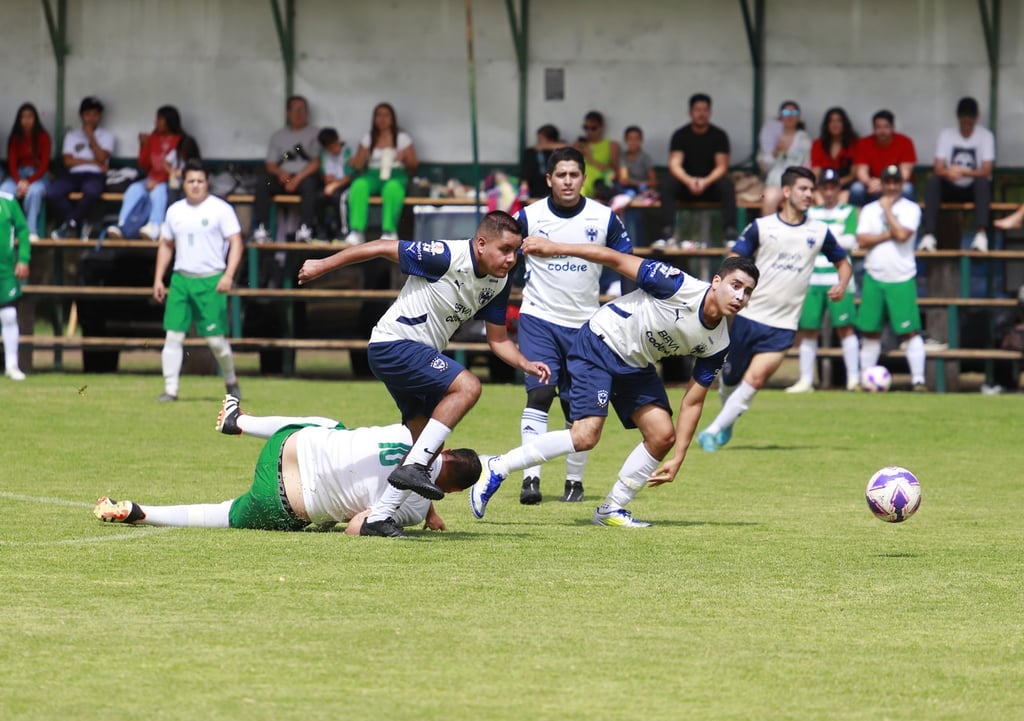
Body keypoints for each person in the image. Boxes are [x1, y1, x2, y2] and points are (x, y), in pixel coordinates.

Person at [297, 210, 550, 537]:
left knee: (425, 440)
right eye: (505, 249)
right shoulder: (445, 256)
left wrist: (525, 363)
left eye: (515, 251)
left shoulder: (499, 281)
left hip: (419, 355)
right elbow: (380, 246)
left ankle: (382, 516)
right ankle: (414, 468)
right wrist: (322, 265)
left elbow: (498, 339)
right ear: (481, 243)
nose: (511, 258)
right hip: (393, 344)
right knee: (468, 388)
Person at [469, 249, 760, 527]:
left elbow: (693, 401)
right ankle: (499, 465)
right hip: (600, 342)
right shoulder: (677, 284)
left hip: (635, 363)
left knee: (662, 436)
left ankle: (611, 508)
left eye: (747, 292)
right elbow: (613, 258)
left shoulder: (719, 344)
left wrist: (679, 456)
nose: (740, 296)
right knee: (585, 435)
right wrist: (554, 247)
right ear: (717, 281)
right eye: (736, 285)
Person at [93, 395, 482, 535]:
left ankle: (240, 422)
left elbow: (419, 464)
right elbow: (354, 528)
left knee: (333, 427)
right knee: (225, 515)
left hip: (288, 448)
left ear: (443, 451)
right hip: (286, 505)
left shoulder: (407, 436)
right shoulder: (412, 508)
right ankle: (143, 513)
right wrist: (426, 513)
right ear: (453, 491)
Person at [697, 166, 851, 452]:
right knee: (729, 380)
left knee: (755, 379)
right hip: (748, 317)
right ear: (787, 191)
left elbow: (843, 262)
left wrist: (842, 284)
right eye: (803, 188)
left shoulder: (818, 231)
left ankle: (715, 429)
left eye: (811, 189)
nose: (809, 194)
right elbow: (734, 259)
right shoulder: (762, 227)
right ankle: (727, 419)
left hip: (783, 325)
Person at [514, 146, 633, 505]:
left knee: (578, 406)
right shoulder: (529, 217)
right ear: (549, 179)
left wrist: (630, 311)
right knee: (540, 392)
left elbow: (626, 264)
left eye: (574, 174)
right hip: (539, 318)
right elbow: (505, 259)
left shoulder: (604, 217)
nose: (567, 181)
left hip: (586, 325)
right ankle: (530, 478)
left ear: (583, 178)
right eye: (560, 175)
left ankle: (574, 482)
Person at [152, 160, 244, 402]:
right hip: (182, 279)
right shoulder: (175, 211)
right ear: (183, 183)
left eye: (200, 181)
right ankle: (170, 390)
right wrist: (159, 278)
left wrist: (228, 275)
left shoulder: (221, 209)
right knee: (173, 335)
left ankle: (231, 380)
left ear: (207, 183)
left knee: (216, 341)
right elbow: (166, 245)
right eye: (191, 181)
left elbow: (236, 242)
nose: (195, 185)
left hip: (211, 280)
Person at [786, 168, 861, 393]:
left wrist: (819, 238)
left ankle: (853, 379)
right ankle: (806, 380)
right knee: (809, 330)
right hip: (811, 279)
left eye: (833, 187)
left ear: (839, 189)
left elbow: (850, 241)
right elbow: (801, 239)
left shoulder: (849, 211)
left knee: (846, 329)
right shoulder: (811, 213)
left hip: (839, 279)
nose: (829, 192)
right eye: (825, 187)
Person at [855, 164, 927, 391]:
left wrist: (887, 211)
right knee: (870, 331)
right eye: (888, 182)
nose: (893, 187)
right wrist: (889, 234)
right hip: (874, 275)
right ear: (882, 184)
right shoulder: (868, 209)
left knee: (909, 330)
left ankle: (918, 380)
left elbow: (903, 235)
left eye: (897, 182)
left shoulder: (911, 208)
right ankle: (865, 378)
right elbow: (862, 240)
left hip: (901, 276)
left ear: (902, 184)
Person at [655, 93, 737, 248]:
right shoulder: (680, 135)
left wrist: (705, 182)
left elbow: (722, 166)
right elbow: (674, 164)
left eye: (705, 110)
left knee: (727, 185)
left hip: (710, 186)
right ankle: (666, 234)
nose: (701, 113)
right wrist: (689, 181)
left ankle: (730, 234)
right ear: (690, 112)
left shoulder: (719, 135)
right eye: (697, 109)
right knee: (667, 184)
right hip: (686, 185)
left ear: (710, 112)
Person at [106, 105, 196, 240]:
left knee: (159, 191)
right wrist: (143, 146)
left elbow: (180, 167)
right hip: (151, 179)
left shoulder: (181, 140)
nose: (156, 122)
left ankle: (155, 226)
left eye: (160, 119)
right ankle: (123, 224)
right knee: (134, 189)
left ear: (169, 121)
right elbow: (144, 164)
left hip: (169, 182)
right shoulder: (153, 138)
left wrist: (160, 181)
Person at [918, 97, 994, 253]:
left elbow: (987, 171)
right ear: (958, 117)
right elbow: (937, 168)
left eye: (970, 117)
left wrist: (962, 171)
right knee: (933, 182)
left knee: (982, 183)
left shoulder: (985, 136)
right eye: (964, 116)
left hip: (973, 189)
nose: (967, 121)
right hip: (951, 187)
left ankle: (981, 236)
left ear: (976, 117)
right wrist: (948, 172)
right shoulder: (947, 135)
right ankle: (929, 235)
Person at [344, 102, 418, 245]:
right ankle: (357, 231)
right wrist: (357, 160)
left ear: (392, 118)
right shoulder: (368, 138)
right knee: (359, 185)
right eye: (379, 115)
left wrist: (403, 157)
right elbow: (358, 166)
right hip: (372, 174)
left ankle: (389, 231)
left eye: (386, 115)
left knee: (392, 188)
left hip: (395, 173)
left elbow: (414, 165)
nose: (382, 119)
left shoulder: (402, 138)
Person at [251, 95, 321, 243]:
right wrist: (280, 173)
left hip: (304, 178)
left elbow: (316, 162)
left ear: (307, 113)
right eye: (295, 110)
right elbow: (270, 164)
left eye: (302, 110)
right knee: (263, 183)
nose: (299, 113)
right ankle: (262, 229)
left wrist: (298, 178)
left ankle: (304, 229)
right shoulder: (278, 136)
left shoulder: (315, 133)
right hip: (282, 178)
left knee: (310, 185)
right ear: (287, 113)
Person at [47, 96, 116, 240]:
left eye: (95, 114)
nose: (91, 118)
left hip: (95, 175)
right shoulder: (72, 136)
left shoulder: (106, 136)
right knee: (53, 192)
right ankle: (79, 222)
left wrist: (91, 137)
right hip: (74, 174)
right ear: (81, 116)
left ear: (100, 116)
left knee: (92, 191)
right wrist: (94, 162)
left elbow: (102, 157)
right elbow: (67, 161)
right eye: (88, 114)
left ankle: (70, 224)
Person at [1, 103, 51, 241]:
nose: (27, 120)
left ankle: (31, 231)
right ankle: (5, 230)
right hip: (18, 175)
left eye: (30, 116)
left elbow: (44, 166)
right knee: (4, 191)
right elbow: (12, 165)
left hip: (38, 176)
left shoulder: (43, 137)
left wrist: (27, 182)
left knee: (34, 192)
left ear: (35, 119)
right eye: (23, 117)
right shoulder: (16, 138)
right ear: (19, 119)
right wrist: (19, 182)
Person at [849, 110, 916, 207]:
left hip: (896, 184)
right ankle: (855, 220)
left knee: (907, 188)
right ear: (873, 128)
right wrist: (870, 182)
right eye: (878, 127)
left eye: (886, 127)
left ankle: (908, 221)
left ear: (893, 128)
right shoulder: (864, 143)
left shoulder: (905, 142)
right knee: (857, 188)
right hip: (872, 185)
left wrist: (883, 184)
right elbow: (861, 172)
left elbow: (905, 173)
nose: (882, 131)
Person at [757, 100, 813, 218]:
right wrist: (775, 153)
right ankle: (768, 234)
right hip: (774, 185)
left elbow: (808, 166)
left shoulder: (805, 139)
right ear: (781, 116)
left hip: (797, 184)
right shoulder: (771, 136)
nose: (790, 116)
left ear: (798, 117)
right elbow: (763, 166)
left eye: (794, 113)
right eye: (786, 112)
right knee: (768, 198)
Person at [0, 189, 30, 381]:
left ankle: (12, 365)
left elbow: (23, 230)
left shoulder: (8, 201)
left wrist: (24, 259)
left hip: (5, 270)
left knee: (9, 315)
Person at [316, 126, 354, 241]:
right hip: (330, 186)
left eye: (335, 145)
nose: (334, 150)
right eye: (330, 148)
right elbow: (322, 173)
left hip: (346, 185)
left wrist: (334, 185)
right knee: (318, 198)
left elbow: (349, 176)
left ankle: (342, 231)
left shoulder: (347, 152)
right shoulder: (323, 154)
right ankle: (322, 232)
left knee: (339, 198)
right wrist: (326, 179)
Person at [810, 107, 858, 193]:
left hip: (846, 185)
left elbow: (853, 175)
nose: (835, 124)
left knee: (857, 189)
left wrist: (835, 184)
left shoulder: (854, 144)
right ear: (827, 125)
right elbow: (816, 171)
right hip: (824, 184)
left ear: (844, 124)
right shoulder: (818, 144)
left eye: (838, 121)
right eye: (831, 121)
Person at [575, 110, 620, 201]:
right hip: (580, 181)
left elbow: (614, 171)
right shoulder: (579, 145)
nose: (589, 131)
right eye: (586, 128)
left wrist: (591, 160)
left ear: (601, 127)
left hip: (598, 183)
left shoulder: (611, 145)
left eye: (593, 128)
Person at [520, 124, 566, 199]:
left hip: (552, 188)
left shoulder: (558, 151)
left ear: (551, 140)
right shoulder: (531, 152)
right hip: (535, 188)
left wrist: (544, 146)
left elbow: (566, 147)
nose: (539, 142)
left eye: (541, 139)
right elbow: (525, 175)